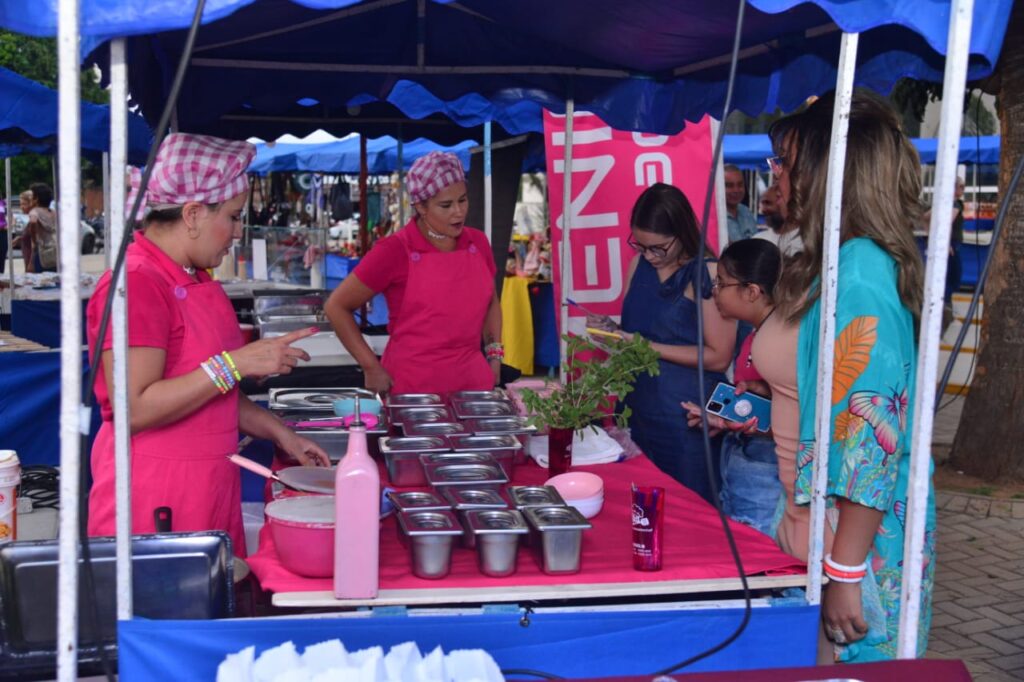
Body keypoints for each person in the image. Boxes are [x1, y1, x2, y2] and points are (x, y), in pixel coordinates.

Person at [86, 133, 329, 557]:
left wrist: (281, 435)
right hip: (154, 499)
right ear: (194, 214)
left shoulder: (195, 277)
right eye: (233, 217)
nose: (237, 231)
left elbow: (210, 395)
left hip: (208, 489)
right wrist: (234, 363)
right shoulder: (138, 282)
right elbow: (135, 408)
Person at [765, 91, 934, 662]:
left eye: (783, 163)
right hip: (846, 535)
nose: (776, 179)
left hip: (861, 545)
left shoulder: (860, 274)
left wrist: (844, 571)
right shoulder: (848, 263)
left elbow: (872, 446)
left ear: (824, 174)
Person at [587, 183, 735, 502]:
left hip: (686, 419)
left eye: (658, 247)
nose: (649, 255)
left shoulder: (707, 273)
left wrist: (644, 345)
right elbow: (636, 334)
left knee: (690, 513)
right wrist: (610, 332)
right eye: (640, 246)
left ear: (681, 233)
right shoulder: (637, 265)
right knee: (638, 509)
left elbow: (719, 356)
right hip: (637, 412)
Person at [325, 151, 502, 396]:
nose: (459, 212)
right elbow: (336, 306)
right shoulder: (394, 251)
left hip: (473, 382)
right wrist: (370, 365)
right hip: (414, 388)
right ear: (420, 206)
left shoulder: (478, 243)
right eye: (446, 205)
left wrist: (494, 356)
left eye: (462, 200)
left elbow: (491, 301)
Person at [682, 239, 782, 534]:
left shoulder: (778, 342)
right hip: (743, 463)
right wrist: (727, 420)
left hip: (765, 471)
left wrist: (753, 425)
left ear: (751, 291)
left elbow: (797, 419)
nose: (714, 292)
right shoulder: (756, 334)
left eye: (721, 283)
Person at [753, 183, 803, 257]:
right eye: (762, 203)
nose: (763, 210)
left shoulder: (806, 241)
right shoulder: (757, 240)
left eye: (767, 203)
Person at [27, 183, 58, 272]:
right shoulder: (53, 212)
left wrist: (33, 237)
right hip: (56, 249)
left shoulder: (35, 211)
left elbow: (33, 221)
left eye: (32, 196)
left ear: (36, 199)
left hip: (43, 250)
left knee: (42, 279)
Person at [724, 164, 758, 243]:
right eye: (729, 186)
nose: (736, 190)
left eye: (740, 185)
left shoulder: (746, 212)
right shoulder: (714, 218)